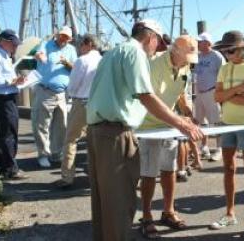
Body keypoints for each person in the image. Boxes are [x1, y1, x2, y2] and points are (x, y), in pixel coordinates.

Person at [86, 19, 203, 241]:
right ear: (151, 37)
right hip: (116, 133)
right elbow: (147, 96)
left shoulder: (112, 52)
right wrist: (182, 123)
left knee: (104, 204)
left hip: (98, 131)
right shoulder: (136, 53)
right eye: (157, 44)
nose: (156, 50)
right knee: (120, 203)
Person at [139, 35, 198, 238]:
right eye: (187, 55)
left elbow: (182, 93)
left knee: (169, 169)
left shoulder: (185, 67)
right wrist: (179, 121)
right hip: (148, 125)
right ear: (175, 51)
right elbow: (150, 99)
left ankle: (168, 211)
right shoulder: (154, 65)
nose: (189, 61)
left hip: (170, 125)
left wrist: (188, 112)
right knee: (148, 173)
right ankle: (146, 216)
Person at [209, 30, 244, 240]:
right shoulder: (223, 68)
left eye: (230, 50)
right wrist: (239, 88)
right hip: (226, 124)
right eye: (224, 50)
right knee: (228, 169)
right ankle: (230, 213)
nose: (227, 54)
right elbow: (216, 96)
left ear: (241, 49)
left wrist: (227, 94)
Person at [54, 34, 102, 188]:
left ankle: (67, 177)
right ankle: (97, 175)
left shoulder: (82, 61)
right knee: (95, 142)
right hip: (99, 105)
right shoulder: (103, 61)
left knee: (71, 140)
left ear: (88, 44)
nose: (79, 48)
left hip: (81, 103)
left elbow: (72, 87)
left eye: (80, 45)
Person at [0, 29, 27, 180]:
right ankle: (10, 169)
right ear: (5, 42)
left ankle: (1, 167)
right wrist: (13, 81)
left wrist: (17, 81)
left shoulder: (4, 57)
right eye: (14, 44)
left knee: (4, 132)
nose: (15, 47)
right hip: (2, 98)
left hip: (7, 97)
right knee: (8, 133)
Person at [32, 26, 77, 168]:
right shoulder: (46, 44)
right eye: (62, 36)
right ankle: (43, 155)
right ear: (57, 35)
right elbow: (39, 54)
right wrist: (40, 56)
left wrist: (66, 63)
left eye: (67, 38)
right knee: (41, 125)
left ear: (70, 39)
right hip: (45, 91)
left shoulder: (71, 50)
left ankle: (57, 154)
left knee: (61, 127)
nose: (63, 39)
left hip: (62, 94)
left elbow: (75, 68)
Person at [194, 32, 226, 161]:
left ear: (208, 43)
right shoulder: (198, 56)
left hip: (212, 92)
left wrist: (219, 93)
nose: (197, 44)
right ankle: (204, 147)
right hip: (199, 93)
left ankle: (219, 149)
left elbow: (223, 75)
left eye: (200, 42)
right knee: (199, 121)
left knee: (216, 121)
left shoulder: (217, 56)